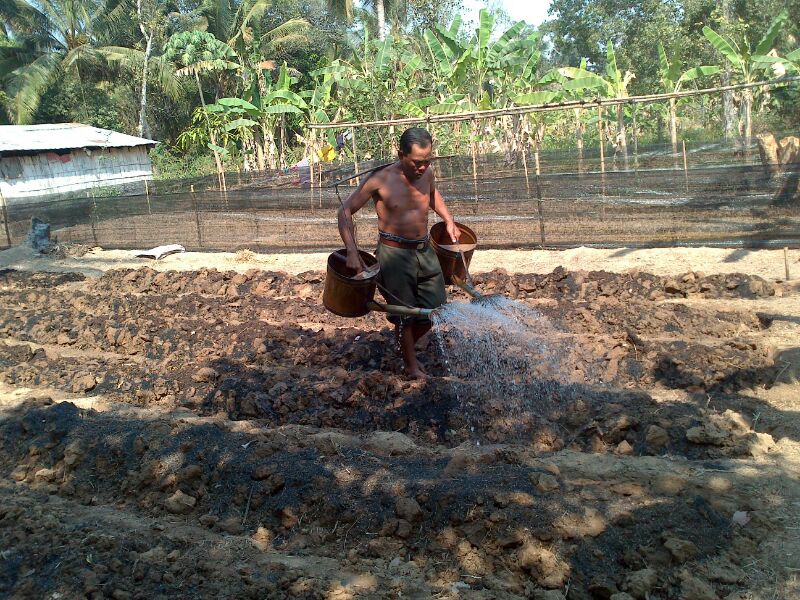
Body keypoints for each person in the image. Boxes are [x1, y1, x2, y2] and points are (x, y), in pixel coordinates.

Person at [337, 127, 459, 379]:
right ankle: (411, 366)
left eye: (427, 161)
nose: (422, 168)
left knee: (436, 308)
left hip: (424, 251)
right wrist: (351, 251)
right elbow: (345, 211)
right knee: (404, 312)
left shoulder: (428, 174)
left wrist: (448, 219)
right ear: (401, 154)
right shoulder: (380, 180)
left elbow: (432, 195)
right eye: (417, 162)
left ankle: (406, 348)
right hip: (394, 254)